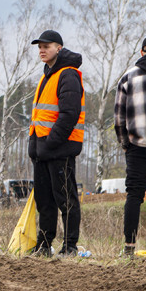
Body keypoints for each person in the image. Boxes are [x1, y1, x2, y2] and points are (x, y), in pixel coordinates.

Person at [28, 30, 84, 257]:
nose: (41, 50)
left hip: (59, 150)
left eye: (46, 46)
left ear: (58, 48)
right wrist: (35, 147)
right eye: (39, 46)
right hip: (42, 151)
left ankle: (69, 247)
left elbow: (69, 115)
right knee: (45, 201)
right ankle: (44, 246)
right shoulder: (47, 75)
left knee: (66, 199)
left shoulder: (68, 74)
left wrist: (50, 143)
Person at [114, 34, 146, 258]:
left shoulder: (127, 77)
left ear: (142, 52)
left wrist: (126, 144)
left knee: (134, 196)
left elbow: (119, 118)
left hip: (138, 147)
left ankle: (129, 248)